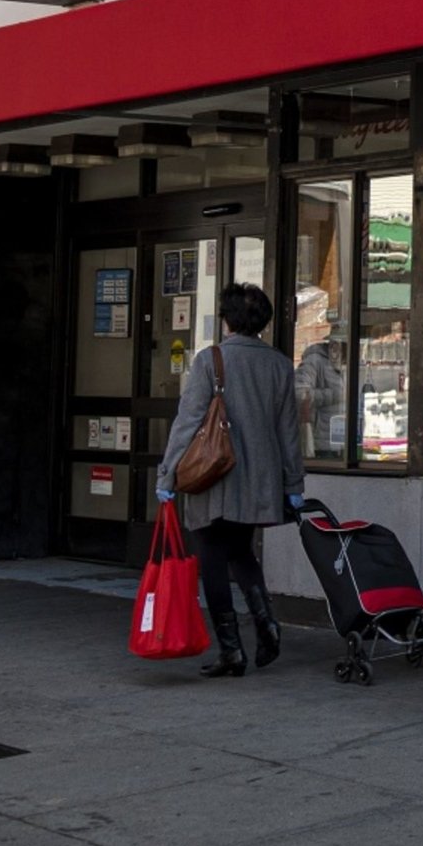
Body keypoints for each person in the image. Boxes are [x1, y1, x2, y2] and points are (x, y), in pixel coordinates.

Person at [157, 283, 307, 678]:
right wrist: (294, 485)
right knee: (241, 551)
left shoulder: (212, 359)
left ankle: (231, 650)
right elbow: (288, 432)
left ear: (227, 320)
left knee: (211, 556)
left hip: (215, 474)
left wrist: (168, 473)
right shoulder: (279, 364)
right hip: (259, 478)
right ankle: (266, 623)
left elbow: (189, 420)